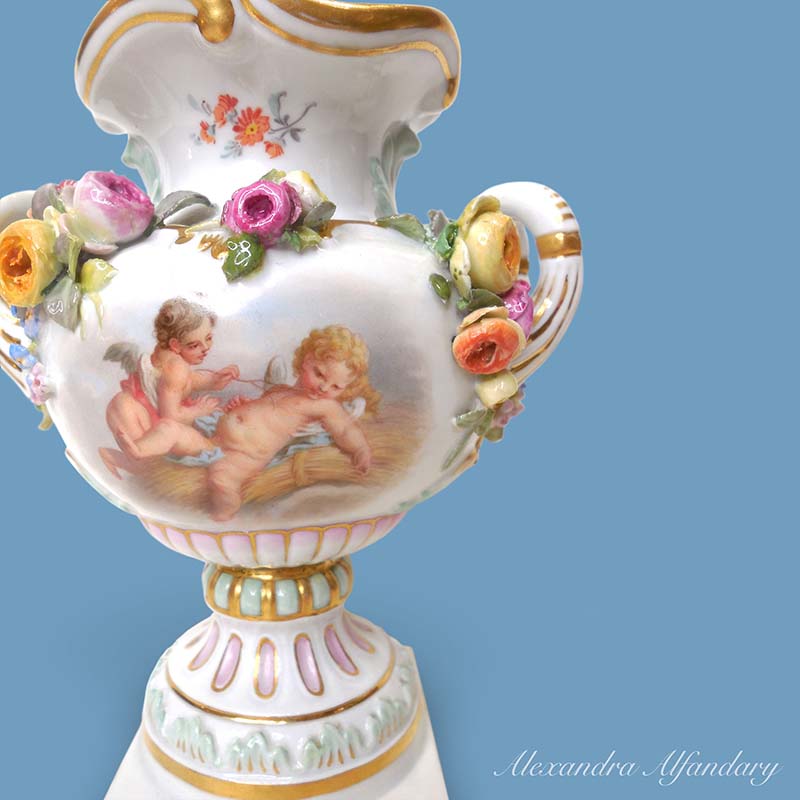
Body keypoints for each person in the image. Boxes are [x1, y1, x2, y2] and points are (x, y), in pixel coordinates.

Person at [207, 325, 378, 521]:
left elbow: (345, 429)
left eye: (336, 387)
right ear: (306, 360)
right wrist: (243, 406)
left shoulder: (324, 406)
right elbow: (264, 411)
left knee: (221, 478)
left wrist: (360, 449)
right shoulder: (280, 389)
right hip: (219, 438)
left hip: (247, 453)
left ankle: (225, 516)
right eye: (319, 374)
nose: (324, 387)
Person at [100, 298, 239, 477]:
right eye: (194, 345)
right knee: (156, 456)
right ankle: (133, 457)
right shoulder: (177, 367)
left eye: (209, 338)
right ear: (175, 344)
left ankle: (116, 457)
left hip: (129, 412)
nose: (205, 348)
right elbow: (171, 416)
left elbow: (183, 382)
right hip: (148, 422)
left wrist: (213, 380)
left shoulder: (164, 354)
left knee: (144, 463)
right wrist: (198, 411)